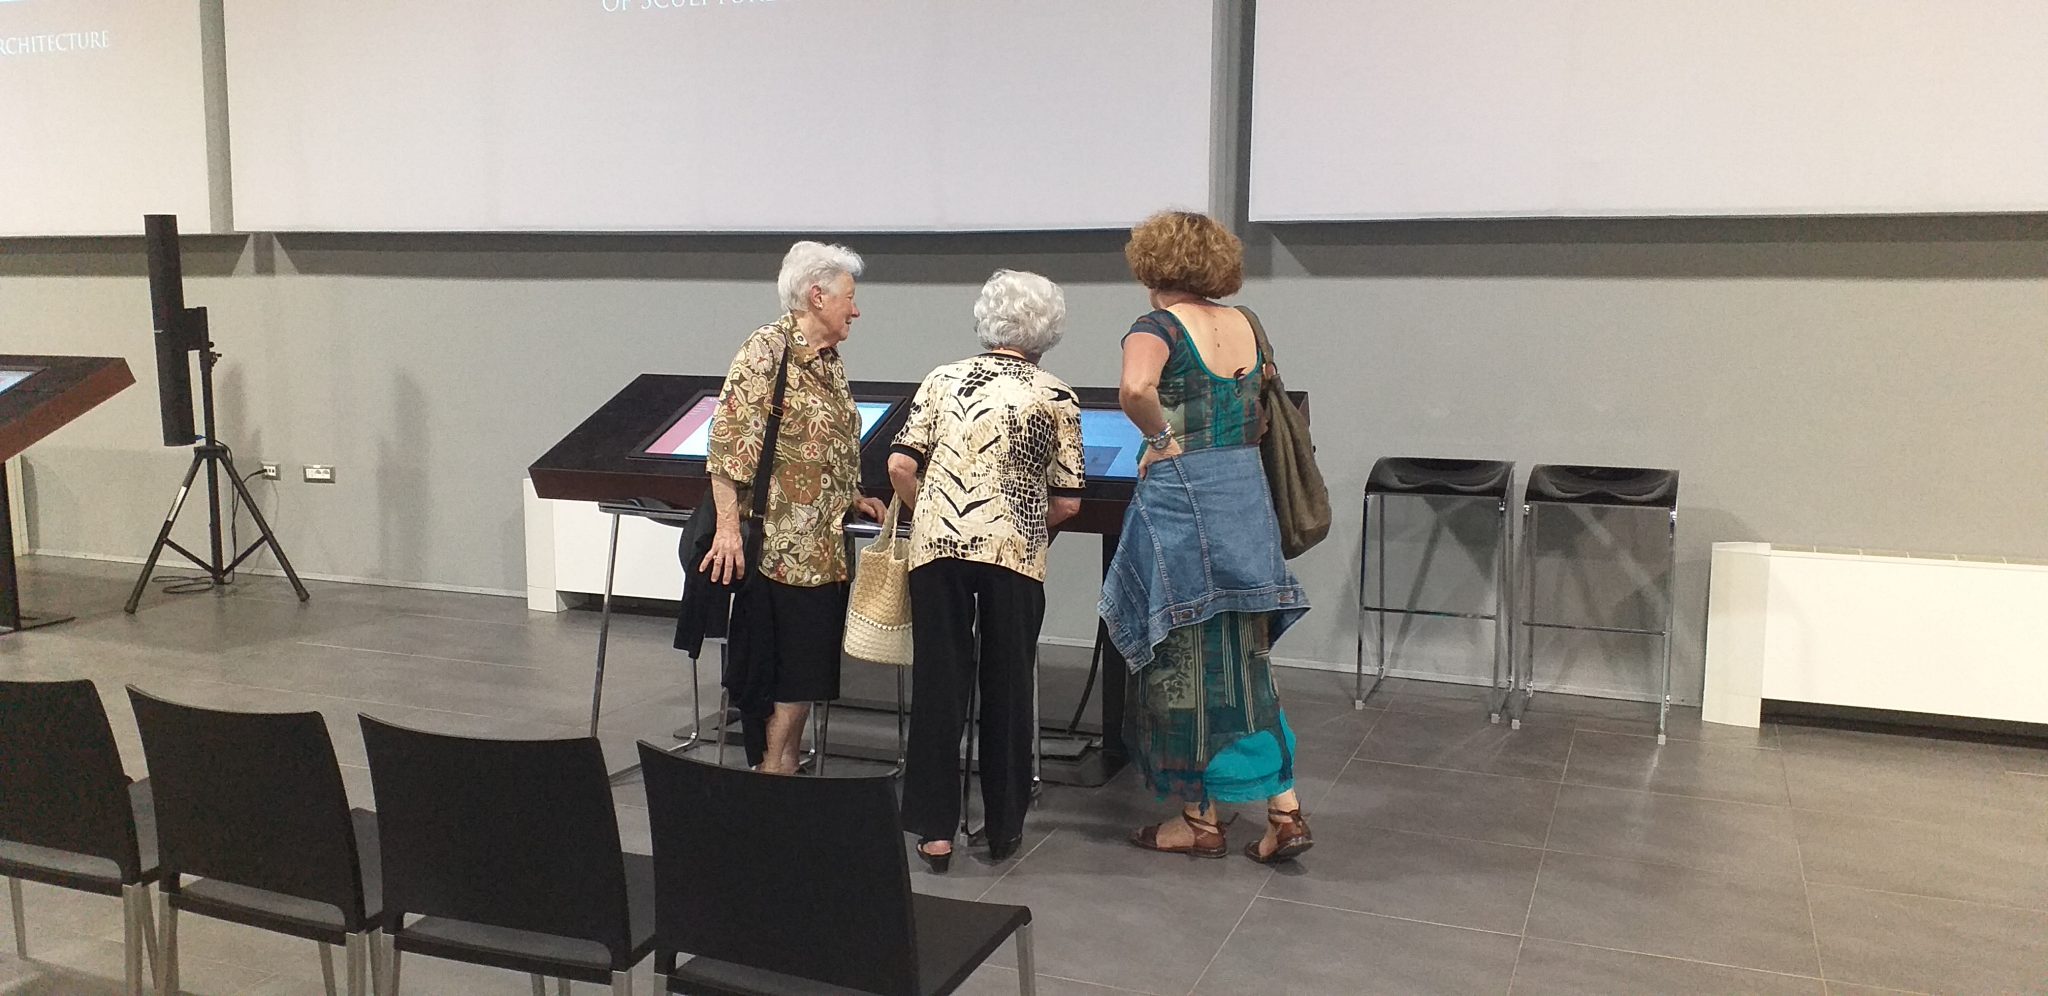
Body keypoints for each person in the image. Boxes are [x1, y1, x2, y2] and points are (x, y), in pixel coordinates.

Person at [1100, 210, 1315, 863]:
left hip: (1183, 500)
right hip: (1244, 498)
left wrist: (1160, 438)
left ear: (1153, 263)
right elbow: (1260, 404)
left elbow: (1136, 388)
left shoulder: (1156, 328)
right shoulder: (1246, 323)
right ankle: (1284, 812)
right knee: (1247, 661)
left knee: (1182, 663)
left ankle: (1198, 821)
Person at [888, 270, 1085, 871]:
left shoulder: (941, 379)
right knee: (1009, 684)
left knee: (939, 684)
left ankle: (934, 831)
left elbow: (900, 466)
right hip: (1013, 555)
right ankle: (1002, 827)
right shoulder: (1056, 396)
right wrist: (1027, 531)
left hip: (938, 551)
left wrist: (934, 515)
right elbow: (1068, 502)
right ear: (1047, 328)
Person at [703, 240, 887, 774]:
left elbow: (825, 441)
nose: (856, 310)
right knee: (780, 668)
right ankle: (773, 768)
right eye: (849, 298)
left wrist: (850, 493)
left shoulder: (828, 360)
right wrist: (727, 529)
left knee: (806, 668)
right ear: (817, 296)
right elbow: (728, 446)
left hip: (823, 549)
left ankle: (783, 764)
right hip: (778, 549)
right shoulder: (767, 350)